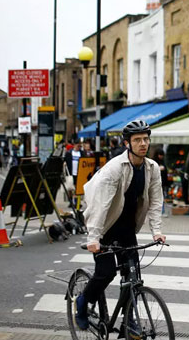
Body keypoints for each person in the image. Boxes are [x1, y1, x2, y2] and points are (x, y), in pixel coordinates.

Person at [75, 119, 166, 331]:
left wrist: (157, 231)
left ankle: (129, 320)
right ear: (127, 143)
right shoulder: (114, 169)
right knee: (106, 272)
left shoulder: (152, 168)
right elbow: (100, 205)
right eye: (137, 140)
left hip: (126, 227)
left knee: (133, 276)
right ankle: (83, 301)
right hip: (106, 227)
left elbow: (156, 201)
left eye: (146, 139)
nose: (143, 143)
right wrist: (94, 238)